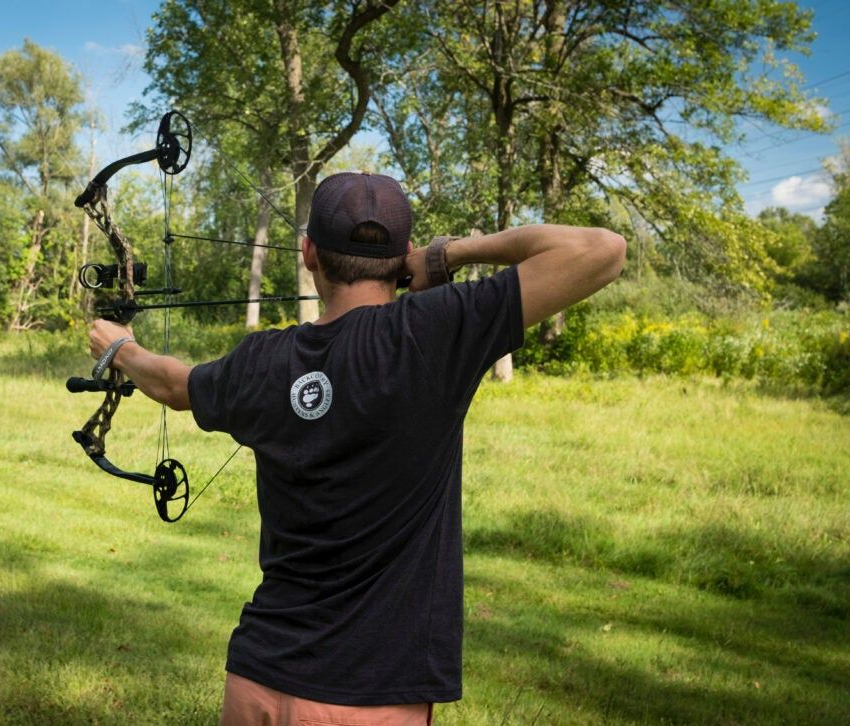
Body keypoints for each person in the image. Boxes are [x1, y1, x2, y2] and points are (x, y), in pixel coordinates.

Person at [87, 172, 626, 725]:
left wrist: (119, 346)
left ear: (309, 254)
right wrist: (451, 253)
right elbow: (602, 250)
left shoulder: (262, 360)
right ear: (404, 254)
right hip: (370, 695)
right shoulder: (434, 331)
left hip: (257, 680)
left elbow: (175, 385)